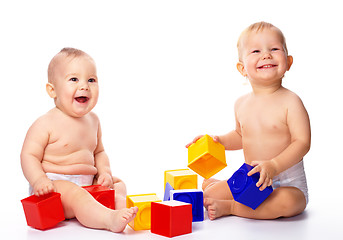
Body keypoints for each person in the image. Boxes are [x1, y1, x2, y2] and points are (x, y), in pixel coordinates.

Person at [186, 22, 311, 220]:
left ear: (288, 62)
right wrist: (217, 141)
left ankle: (233, 208)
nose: (266, 55)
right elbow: (240, 136)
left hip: (287, 183)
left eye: (274, 49)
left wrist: (274, 165)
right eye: (256, 51)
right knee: (208, 196)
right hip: (251, 179)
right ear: (242, 68)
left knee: (288, 202)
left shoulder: (291, 102)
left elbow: (302, 143)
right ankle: (215, 186)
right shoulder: (241, 104)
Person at [21, 48, 138, 232]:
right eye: (74, 79)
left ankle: (122, 208)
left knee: (118, 183)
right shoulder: (45, 123)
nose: (84, 86)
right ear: (52, 90)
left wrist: (104, 172)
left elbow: (99, 152)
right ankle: (109, 219)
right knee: (77, 195)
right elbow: (28, 155)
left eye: (91, 80)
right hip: (54, 187)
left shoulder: (94, 120)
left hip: (87, 182)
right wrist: (39, 181)